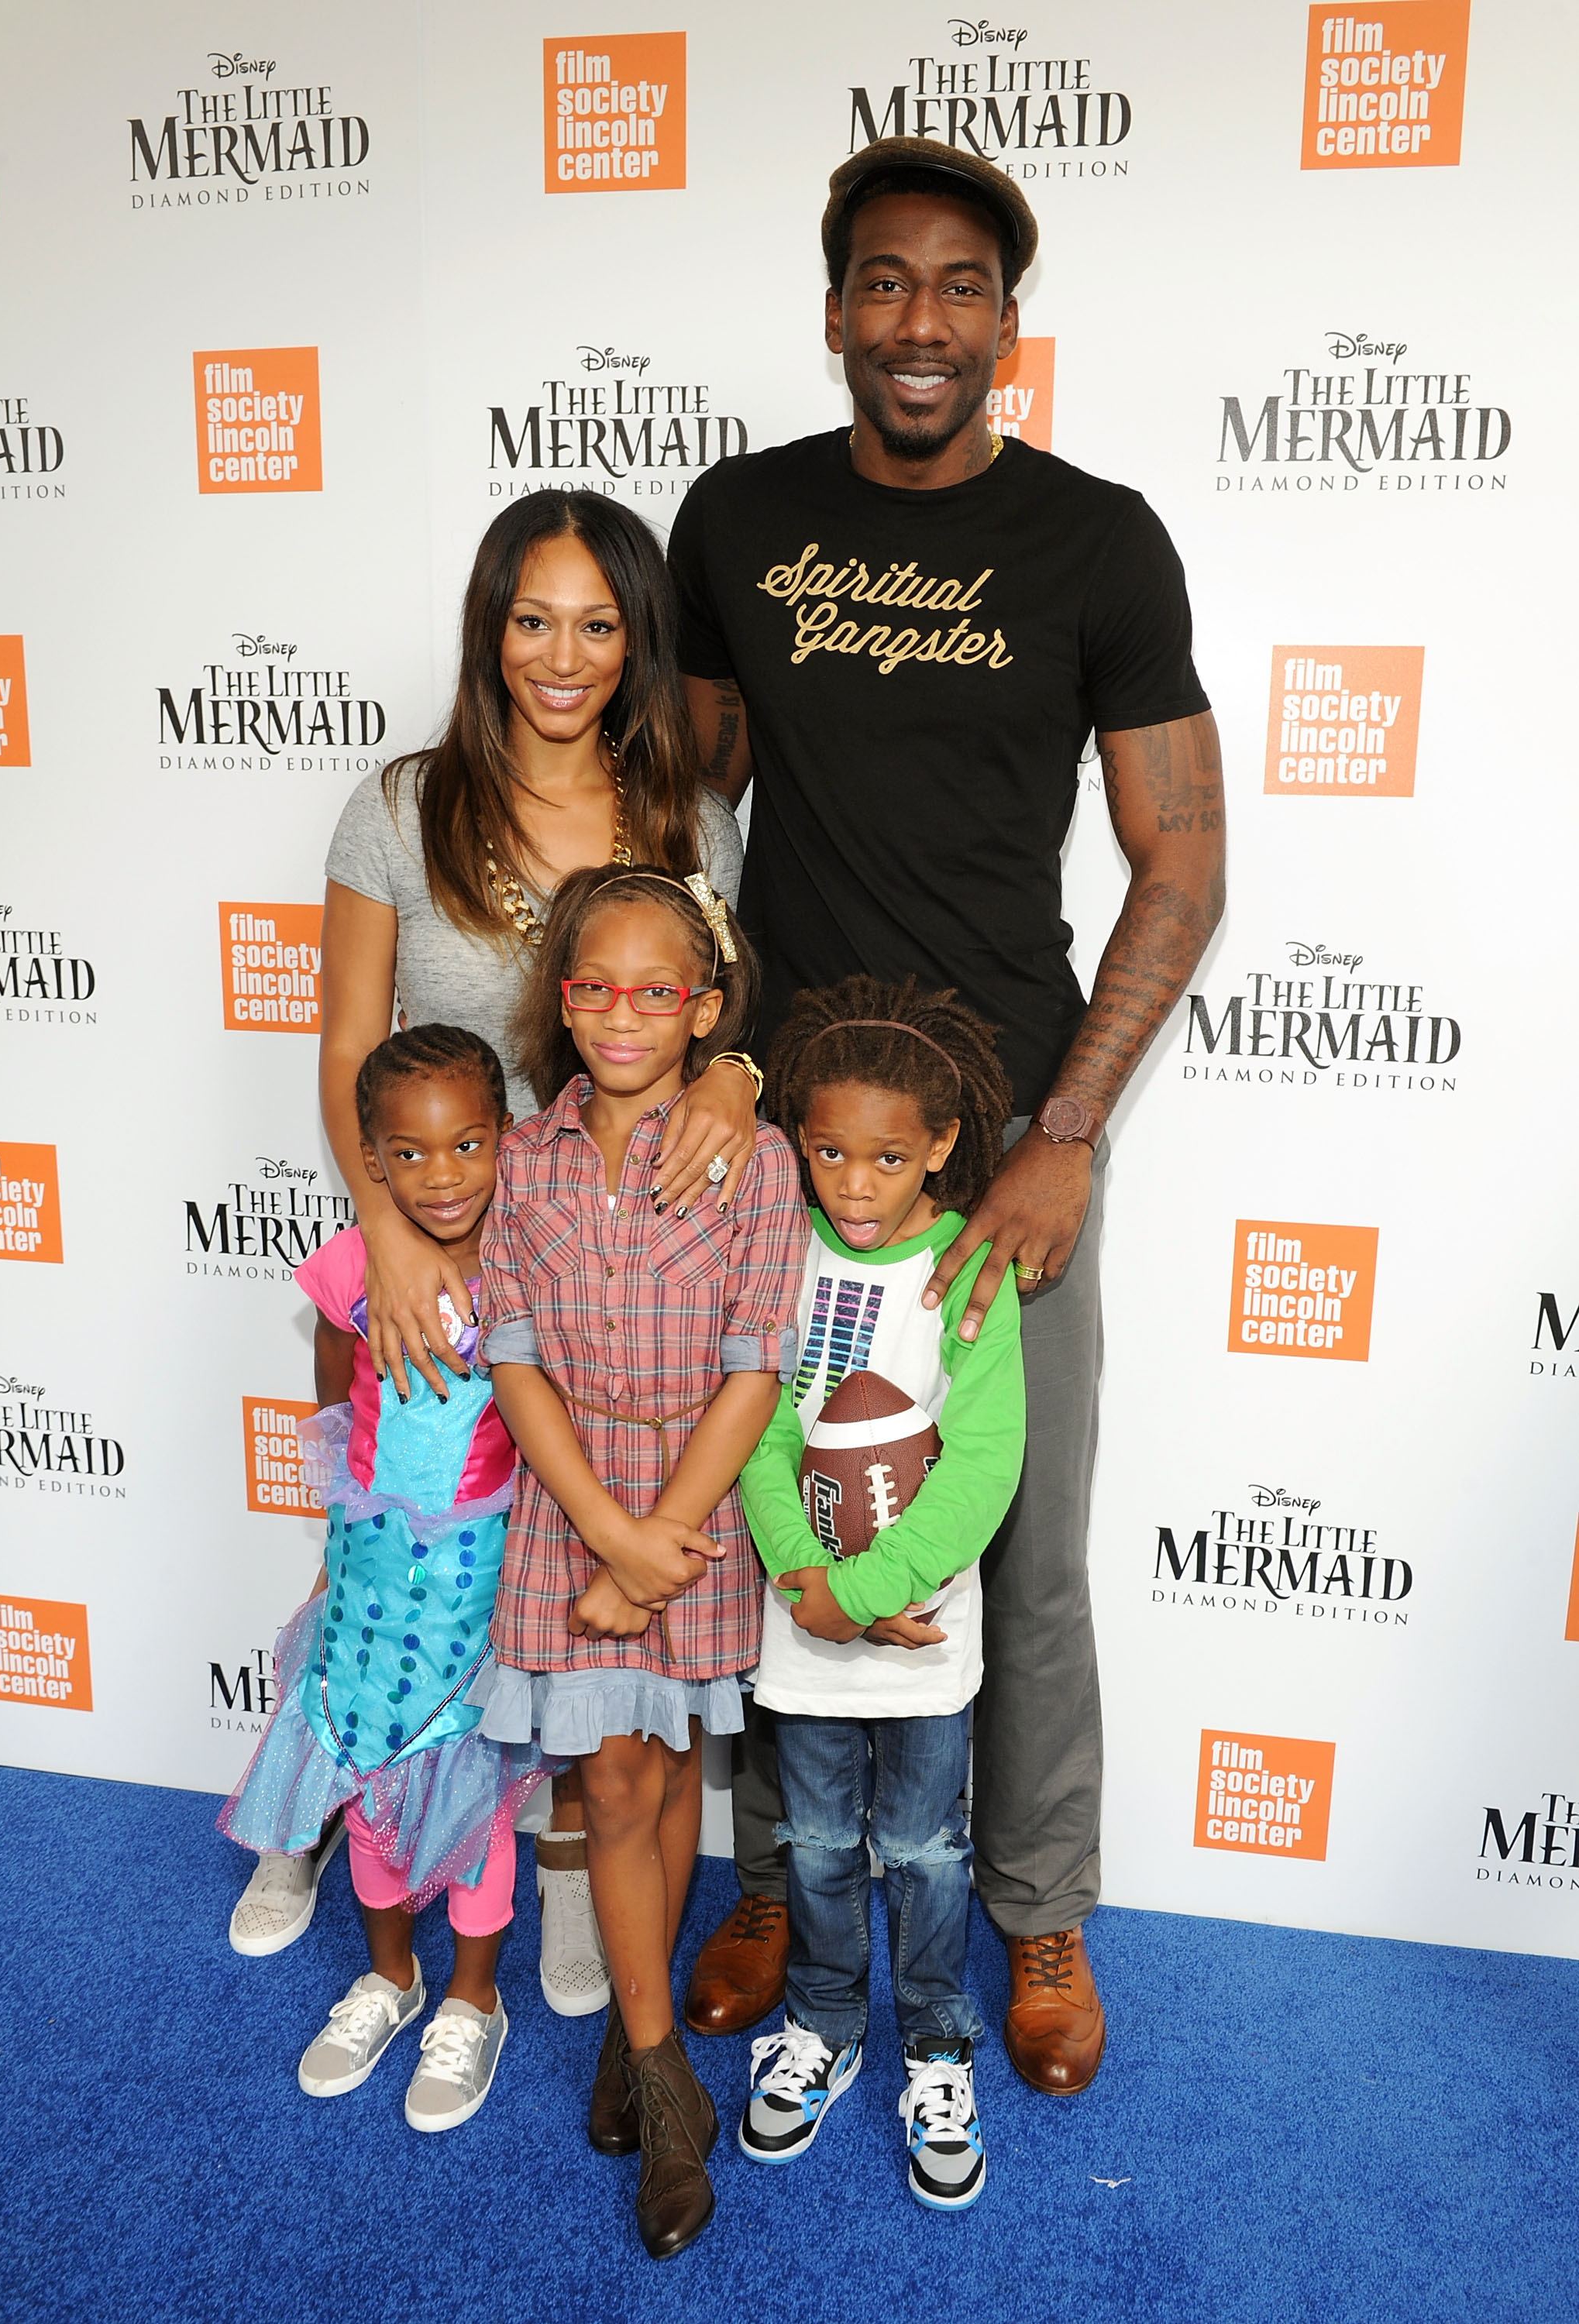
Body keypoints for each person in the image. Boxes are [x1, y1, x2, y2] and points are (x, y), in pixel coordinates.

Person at [669, 136, 1226, 2093]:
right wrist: (699, 1059)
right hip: (777, 1152)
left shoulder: (1098, 541)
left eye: (960, 285)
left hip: (1001, 1146)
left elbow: (1178, 864)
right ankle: (771, 1879)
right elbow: (686, 818)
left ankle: (1037, 1906)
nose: (920, 319)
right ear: (833, 312)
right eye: (883, 282)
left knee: (1021, 1550)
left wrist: (1070, 1127)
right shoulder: (732, 522)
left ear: (1007, 318)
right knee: (764, 1522)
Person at [261, 491, 760, 2008]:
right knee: (385, 1572)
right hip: (414, 1266)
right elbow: (347, 1037)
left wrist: (734, 1075)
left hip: (599, 1295)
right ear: (490, 629)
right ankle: (312, 1807)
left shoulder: (690, 824)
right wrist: (388, 1240)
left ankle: (551, 1858)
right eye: (531, 618)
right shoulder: (400, 806)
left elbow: (712, 1027)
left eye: (597, 624)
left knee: (537, 1590)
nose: (562, 655)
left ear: (636, 641)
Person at [470, 866, 805, 2259]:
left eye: (655, 991)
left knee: (670, 1770)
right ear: (562, 999)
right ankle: (667, 2087)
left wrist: (660, 1541)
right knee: (611, 1781)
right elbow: (515, 1352)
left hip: (702, 1504)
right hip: (574, 1512)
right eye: (593, 986)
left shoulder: (757, 1158)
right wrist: (609, 1541)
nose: (621, 1012)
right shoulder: (525, 1161)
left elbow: (756, 1363)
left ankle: (629, 2018)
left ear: (704, 1008)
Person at [220, 1026, 545, 2130]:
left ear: (507, 1138)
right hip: (369, 1585)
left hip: (480, 1587)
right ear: (368, 1157)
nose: (441, 1175)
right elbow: (334, 1379)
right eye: (408, 1154)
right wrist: (333, 1545)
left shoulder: (527, 1263)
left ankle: (473, 1996)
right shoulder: (357, 1267)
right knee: (363, 1773)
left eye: (467, 1145)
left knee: (471, 1793)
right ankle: (391, 1978)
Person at [736, 978, 1023, 2212]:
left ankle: (938, 2046)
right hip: (803, 1625)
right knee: (811, 1844)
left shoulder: (967, 1276)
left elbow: (986, 1462)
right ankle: (824, 2023)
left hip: (917, 1635)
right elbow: (752, 1430)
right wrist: (808, 1582)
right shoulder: (774, 1249)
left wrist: (870, 1589)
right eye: (830, 1152)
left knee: (923, 1847)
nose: (855, 1184)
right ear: (799, 1137)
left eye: (889, 1157)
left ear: (943, 1149)